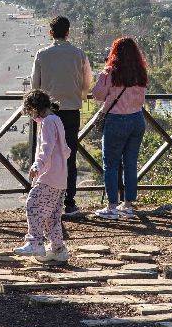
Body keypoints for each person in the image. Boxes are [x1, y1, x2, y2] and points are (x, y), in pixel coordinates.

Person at [30, 16, 93, 216]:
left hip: (48, 112)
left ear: (51, 33)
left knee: (45, 153)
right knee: (69, 155)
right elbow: (87, 82)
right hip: (72, 111)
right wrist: (79, 96)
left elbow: (35, 85)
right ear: (68, 32)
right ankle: (69, 202)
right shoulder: (79, 54)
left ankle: (44, 199)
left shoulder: (42, 54)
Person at [92, 37, 148, 219]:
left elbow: (98, 96)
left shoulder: (110, 72)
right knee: (130, 163)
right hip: (137, 119)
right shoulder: (141, 72)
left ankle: (112, 206)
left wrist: (102, 78)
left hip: (117, 120)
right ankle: (128, 205)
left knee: (111, 164)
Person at [13, 89, 72, 262]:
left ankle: (35, 243)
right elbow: (65, 149)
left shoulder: (47, 122)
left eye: (31, 112)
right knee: (53, 216)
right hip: (61, 177)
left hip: (49, 175)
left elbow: (47, 148)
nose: (32, 117)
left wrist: (37, 165)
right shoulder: (57, 119)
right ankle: (57, 249)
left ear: (36, 108)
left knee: (33, 204)